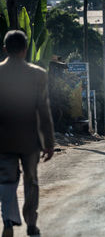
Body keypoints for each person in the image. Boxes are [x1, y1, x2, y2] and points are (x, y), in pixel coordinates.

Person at [0, 30, 55, 237]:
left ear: (5, 49)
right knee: (31, 181)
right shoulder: (38, 74)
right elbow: (44, 110)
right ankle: (31, 222)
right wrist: (48, 142)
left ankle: (8, 220)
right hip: (30, 140)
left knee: (6, 181)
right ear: (25, 50)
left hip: (3, 140)